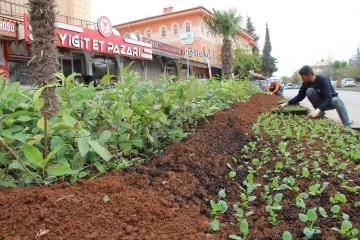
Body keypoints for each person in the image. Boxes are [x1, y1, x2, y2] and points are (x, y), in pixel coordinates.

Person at [279, 65, 352, 127]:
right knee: (309, 91)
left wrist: (317, 110)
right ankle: (321, 112)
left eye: (303, 77)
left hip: (330, 102)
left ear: (309, 75)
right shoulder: (306, 83)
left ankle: (348, 126)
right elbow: (300, 96)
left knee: (336, 100)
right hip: (321, 104)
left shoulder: (323, 79)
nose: (302, 79)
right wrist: (286, 103)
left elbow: (328, 98)